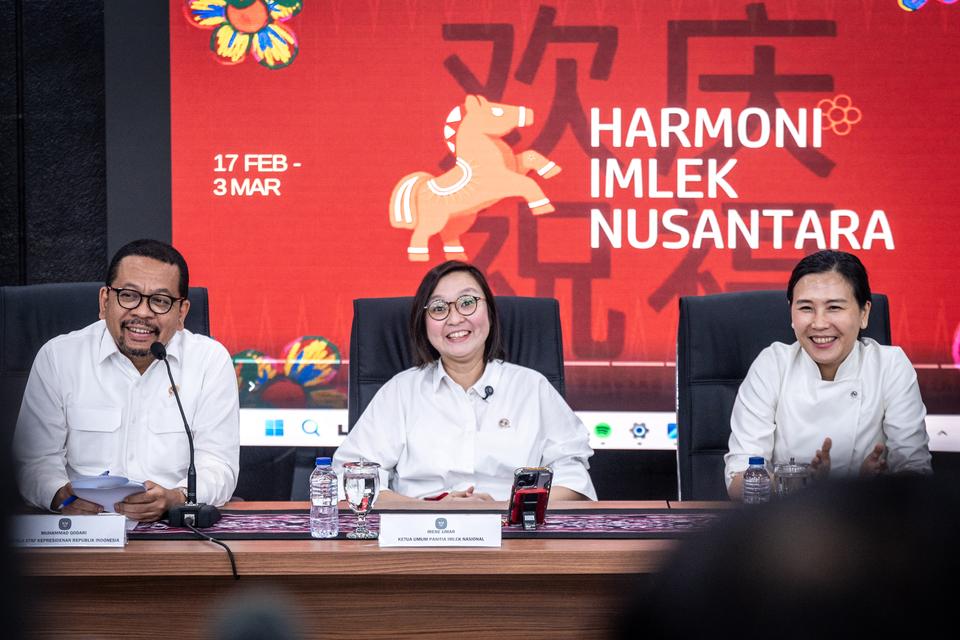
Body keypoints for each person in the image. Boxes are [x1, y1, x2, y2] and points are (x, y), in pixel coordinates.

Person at [333, 260, 597, 503]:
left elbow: (573, 480)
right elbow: (352, 477)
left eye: (467, 302)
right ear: (423, 323)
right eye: (438, 308)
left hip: (513, 532)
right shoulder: (401, 391)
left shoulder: (531, 387)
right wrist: (430, 511)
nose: (455, 318)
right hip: (418, 532)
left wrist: (504, 509)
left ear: (489, 311)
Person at [13, 239, 239, 521]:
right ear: (104, 301)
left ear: (181, 313)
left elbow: (219, 466)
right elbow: (32, 461)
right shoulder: (59, 357)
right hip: (81, 527)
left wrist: (176, 497)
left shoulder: (209, 361)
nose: (142, 313)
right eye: (129, 296)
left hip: (174, 528)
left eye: (160, 301)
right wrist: (60, 494)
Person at [725, 250, 931, 499]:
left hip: (870, 519)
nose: (819, 323)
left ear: (864, 313)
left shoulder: (890, 366)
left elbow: (915, 472)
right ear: (791, 313)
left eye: (834, 307)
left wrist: (870, 487)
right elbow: (739, 480)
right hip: (785, 520)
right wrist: (803, 485)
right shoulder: (772, 365)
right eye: (806, 308)